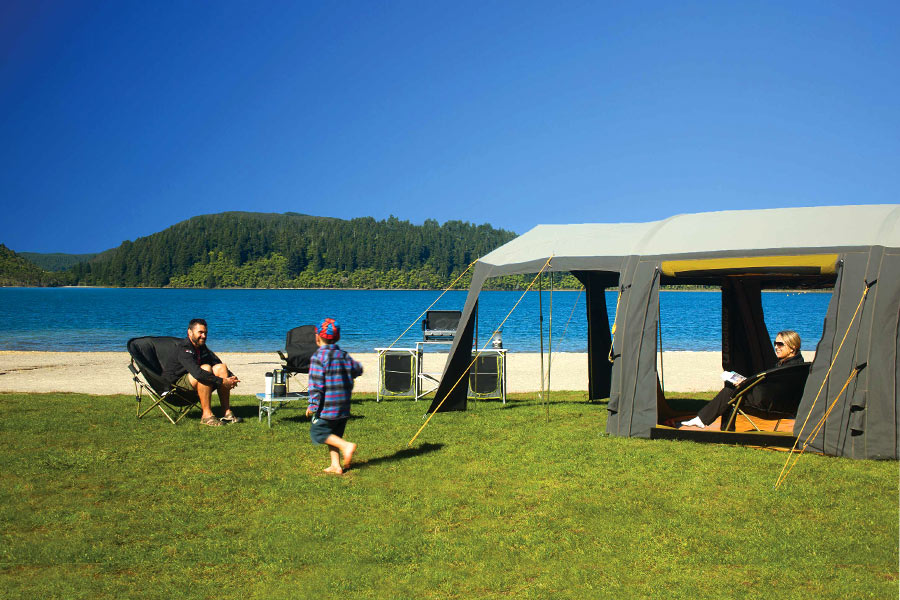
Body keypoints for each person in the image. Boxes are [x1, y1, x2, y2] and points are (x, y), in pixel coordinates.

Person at [681, 330, 804, 429]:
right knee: (732, 392)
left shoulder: (786, 370)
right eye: (775, 343)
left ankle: (705, 421)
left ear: (793, 347)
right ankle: (719, 427)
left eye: (780, 344)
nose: (776, 347)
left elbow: (770, 390)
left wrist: (746, 384)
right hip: (783, 407)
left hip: (771, 408)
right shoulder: (798, 368)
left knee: (730, 392)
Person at [305, 318, 363, 474]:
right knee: (334, 434)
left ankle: (346, 446)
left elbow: (316, 385)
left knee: (319, 433)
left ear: (317, 337)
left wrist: (312, 405)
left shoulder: (318, 357)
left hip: (327, 407)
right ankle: (335, 465)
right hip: (343, 405)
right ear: (337, 338)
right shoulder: (343, 355)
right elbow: (358, 369)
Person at [161, 318, 242, 427]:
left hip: (193, 379)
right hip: (176, 386)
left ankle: (227, 413)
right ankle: (206, 416)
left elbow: (216, 361)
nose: (204, 336)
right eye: (200, 332)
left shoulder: (201, 346)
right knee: (205, 368)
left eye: (205, 333)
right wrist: (223, 381)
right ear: (190, 332)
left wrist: (231, 377)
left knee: (221, 367)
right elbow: (198, 373)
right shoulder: (184, 348)